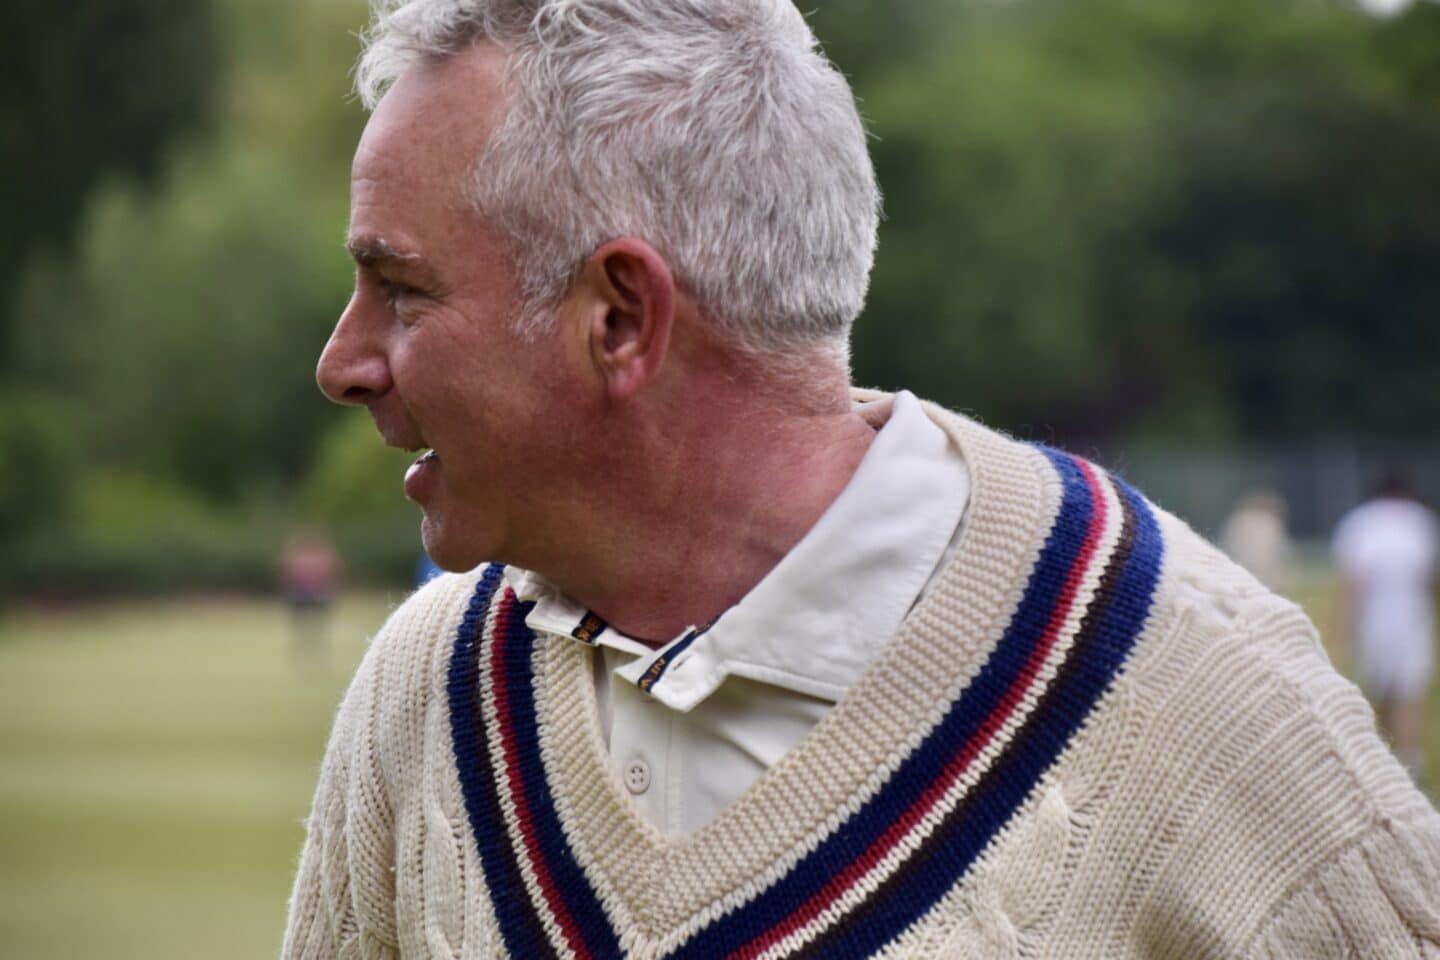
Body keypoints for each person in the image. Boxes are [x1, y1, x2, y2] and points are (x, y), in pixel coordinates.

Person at [284, 2, 1440, 956]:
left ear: (622, 317)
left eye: (402, 289)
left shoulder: (1211, 700)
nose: (343, 362)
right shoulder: (427, 692)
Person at [1332, 470, 1440, 781]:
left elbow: (1354, 583)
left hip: (1375, 620)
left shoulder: (1361, 522)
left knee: (1378, 694)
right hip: (1412, 618)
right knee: (1409, 694)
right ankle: (1409, 762)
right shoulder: (1421, 521)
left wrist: (1342, 632)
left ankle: (1380, 762)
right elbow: (1427, 579)